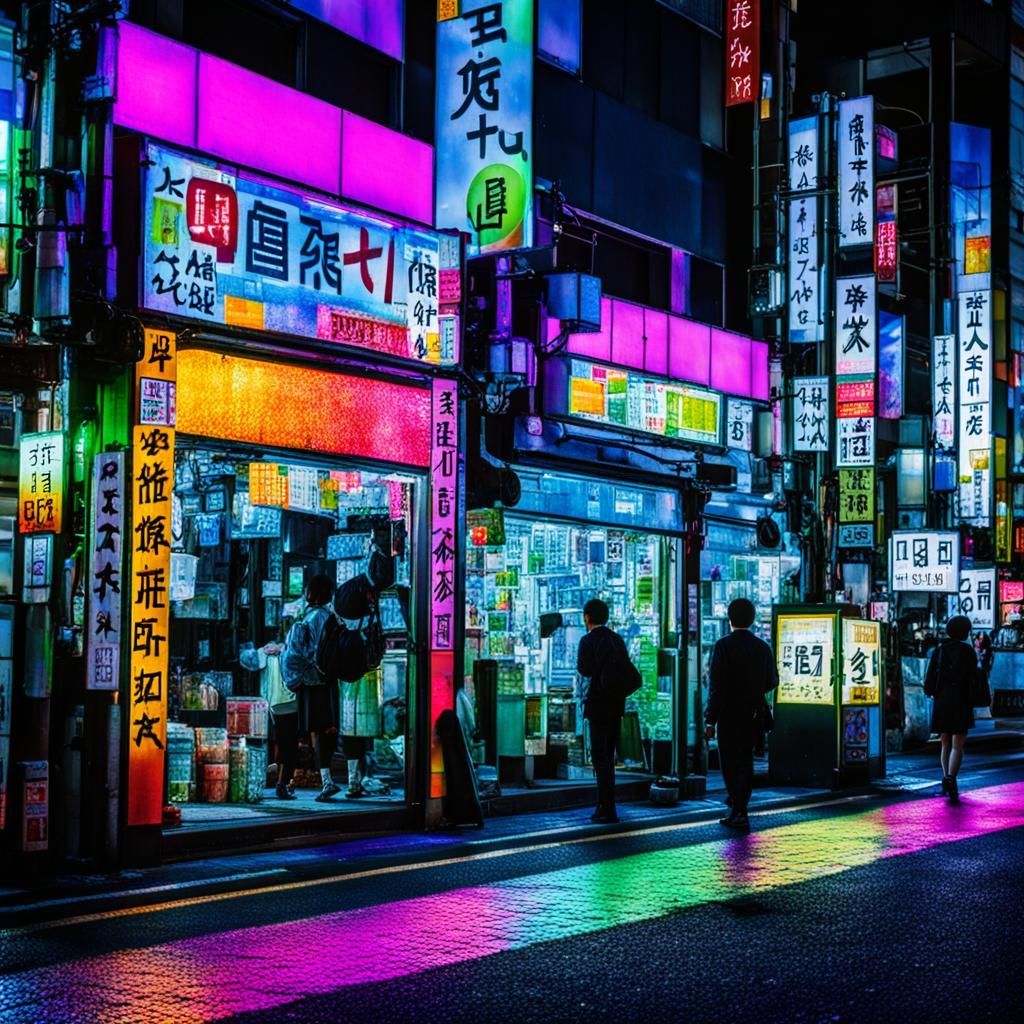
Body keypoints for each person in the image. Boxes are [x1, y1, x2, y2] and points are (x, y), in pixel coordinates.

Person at [704, 598, 779, 830]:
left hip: (728, 714)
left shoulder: (723, 646)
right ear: (753, 619)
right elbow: (772, 681)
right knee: (745, 761)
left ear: (730, 619)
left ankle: (737, 807)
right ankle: (740, 807)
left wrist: (710, 719)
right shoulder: (762, 647)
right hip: (752, 714)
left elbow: (717, 686)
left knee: (729, 761)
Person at [282, 574, 341, 801]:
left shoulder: (313, 617)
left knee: (317, 730)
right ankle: (325, 780)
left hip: (311, 681)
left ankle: (324, 781)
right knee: (325, 729)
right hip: (325, 680)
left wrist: (295, 673)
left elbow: (303, 651)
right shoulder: (330, 617)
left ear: (312, 593)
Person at [577, 598, 630, 824]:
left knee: (600, 759)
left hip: (597, 706)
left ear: (587, 617)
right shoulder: (616, 639)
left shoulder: (587, 640)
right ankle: (609, 806)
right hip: (615, 706)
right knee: (609, 756)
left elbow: (584, 670)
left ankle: (605, 807)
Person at [924, 615, 980, 803]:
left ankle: (945, 777)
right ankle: (951, 778)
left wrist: (933, 692)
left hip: (942, 700)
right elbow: (974, 677)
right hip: (961, 701)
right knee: (958, 744)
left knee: (945, 743)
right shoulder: (968, 652)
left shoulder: (939, 651)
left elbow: (929, 680)